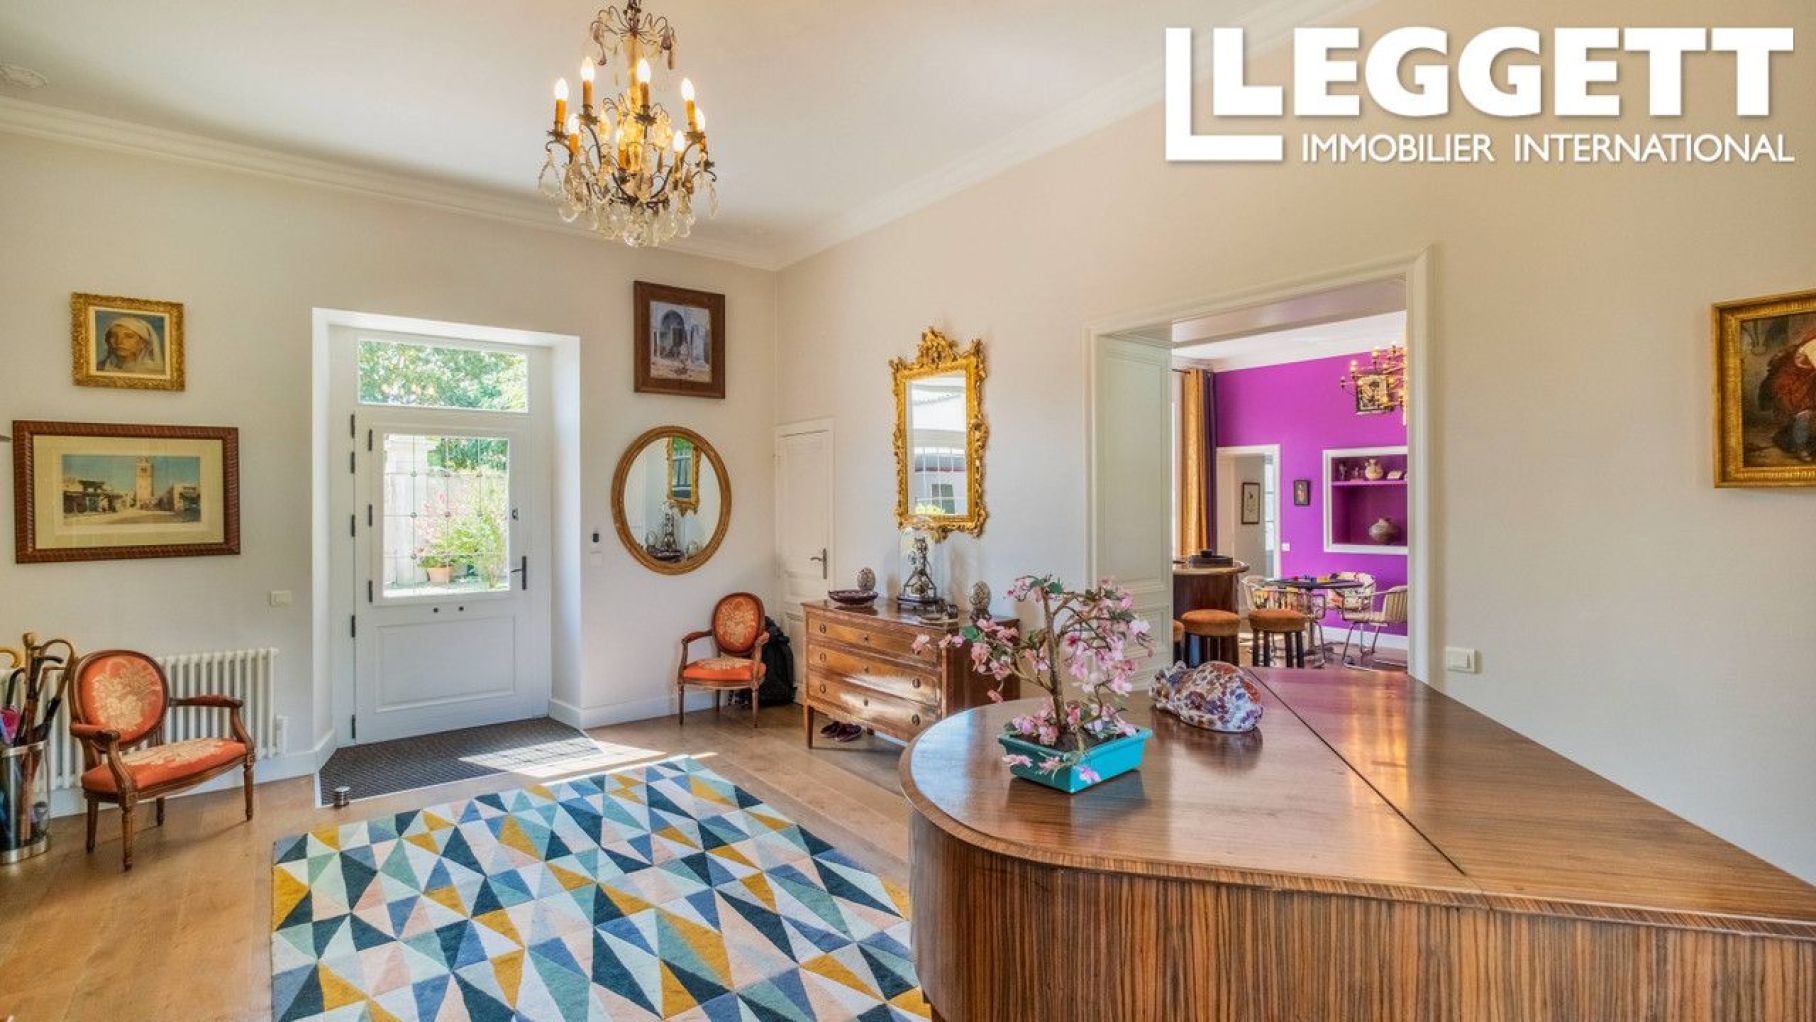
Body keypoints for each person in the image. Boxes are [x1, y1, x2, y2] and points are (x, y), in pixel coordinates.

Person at [1758, 326, 1816, 461]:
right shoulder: (1813, 344)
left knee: (1806, 413)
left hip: (1806, 381)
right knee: (1804, 412)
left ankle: (1798, 442)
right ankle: (1801, 448)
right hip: (1790, 383)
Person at [97, 316, 165, 375]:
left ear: (142, 343)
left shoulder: (154, 371)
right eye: (114, 336)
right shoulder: (100, 368)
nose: (119, 341)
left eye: (129, 336)